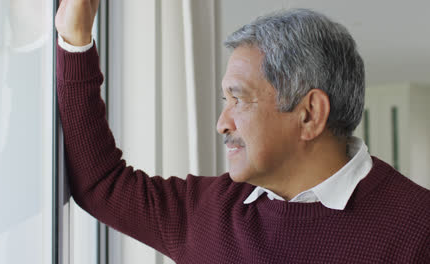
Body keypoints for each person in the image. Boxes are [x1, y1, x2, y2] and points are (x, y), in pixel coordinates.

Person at [55, 0, 430, 263]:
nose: (222, 123)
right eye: (224, 100)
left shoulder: (419, 230)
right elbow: (101, 185)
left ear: (310, 114)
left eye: (239, 99)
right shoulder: (206, 213)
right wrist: (75, 41)